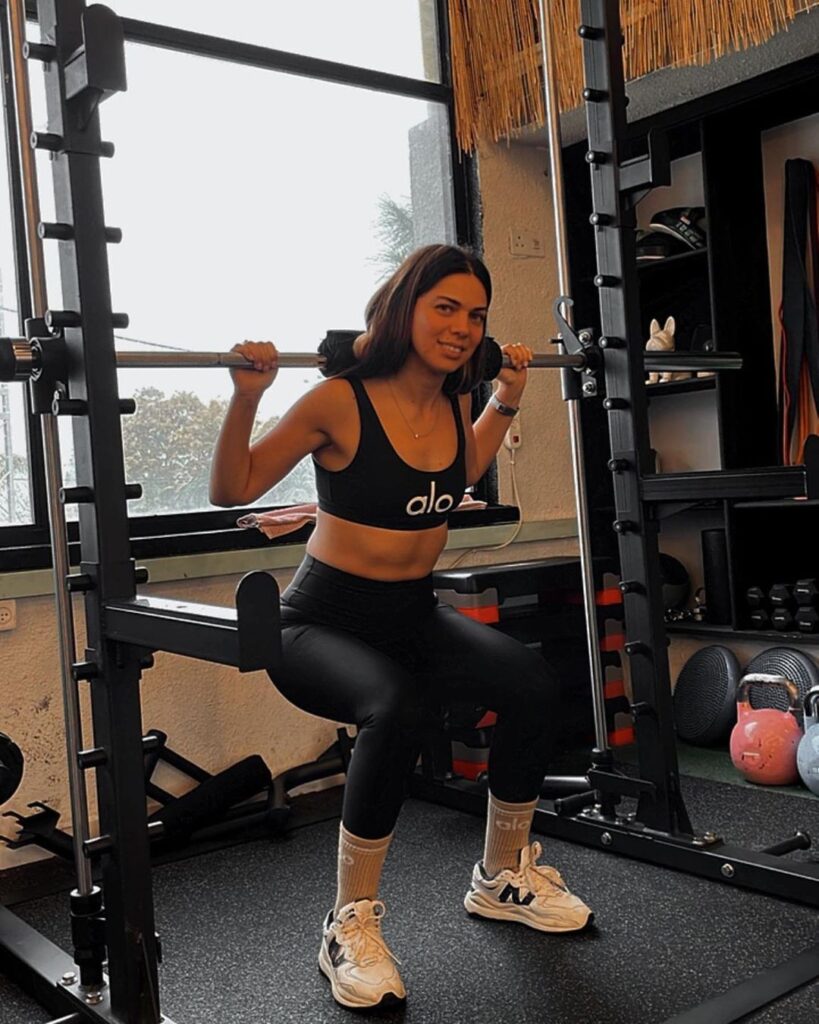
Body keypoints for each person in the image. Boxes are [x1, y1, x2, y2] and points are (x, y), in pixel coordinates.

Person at [210, 244, 592, 1011]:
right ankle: (347, 924)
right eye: (443, 307)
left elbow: (459, 471)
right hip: (317, 621)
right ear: (402, 310)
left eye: (474, 314)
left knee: (530, 682)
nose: (461, 326)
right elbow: (233, 487)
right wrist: (247, 396)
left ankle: (501, 876)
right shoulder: (337, 400)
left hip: (410, 612)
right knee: (396, 705)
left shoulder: (452, 401)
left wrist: (506, 396)